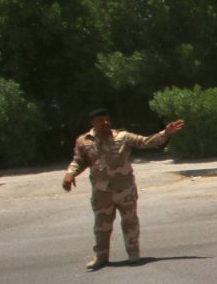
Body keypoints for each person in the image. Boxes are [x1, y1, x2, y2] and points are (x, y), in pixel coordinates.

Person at [62, 109, 184, 270]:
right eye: (101, 120)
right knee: (101, 226)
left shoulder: (122, 137)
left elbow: (146, 142)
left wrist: (166, 133)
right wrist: (70, 174)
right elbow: (79, 161)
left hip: (125, 188)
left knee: (130, 221)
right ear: (93, 123)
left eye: (107, 119)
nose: (105, 122)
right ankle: (101, 257)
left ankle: (133, 253)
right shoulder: (84, 141)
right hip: (101, 191)